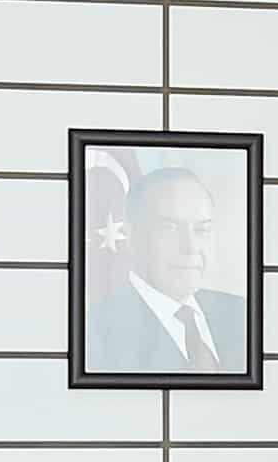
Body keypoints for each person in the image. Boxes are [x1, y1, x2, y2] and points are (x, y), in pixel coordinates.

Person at [85, 156, 248, 374]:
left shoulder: (241, 313)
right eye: (169, 228)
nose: (190, 247)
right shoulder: (96, 329)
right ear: (132, 237)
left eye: (202, 229)